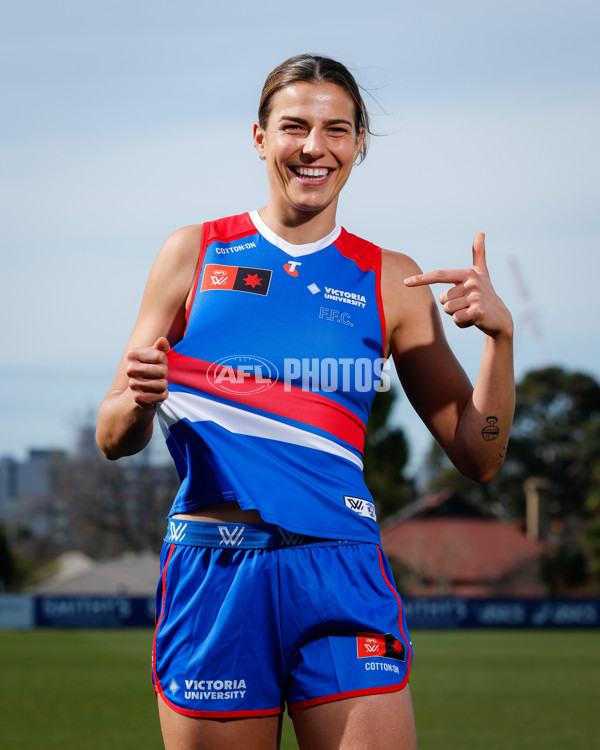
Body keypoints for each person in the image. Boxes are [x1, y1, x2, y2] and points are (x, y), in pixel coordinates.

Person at [96, 53, 514, 750]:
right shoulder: (193, 252)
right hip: (216, 568)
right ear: (260, 137)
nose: (315, 147)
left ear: (358, 145)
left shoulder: (391, 280)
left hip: (342, 568)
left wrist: (499, 341)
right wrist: (139, 401)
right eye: (294, 127)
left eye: (338, 130)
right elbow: (113, 434)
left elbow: (480, 456)